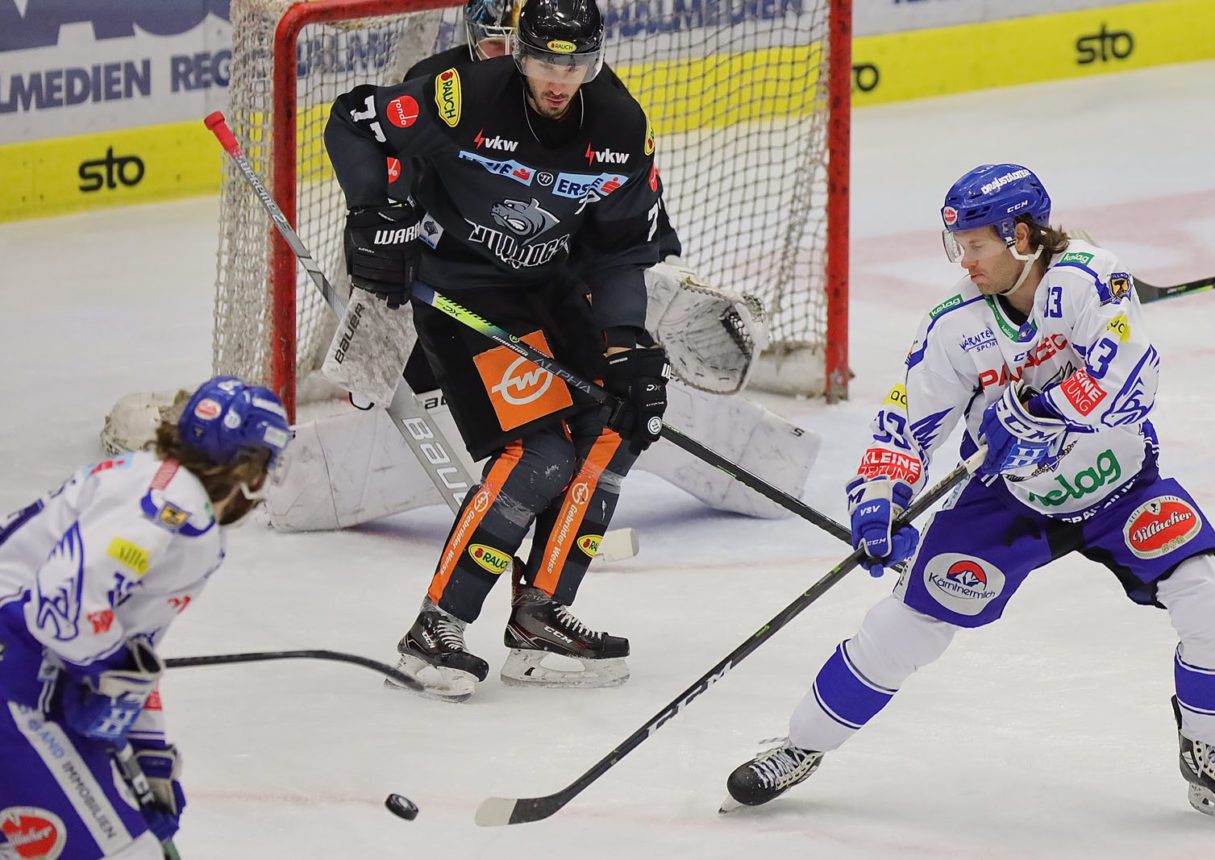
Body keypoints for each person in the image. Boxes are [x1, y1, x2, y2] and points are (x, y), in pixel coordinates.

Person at [721, 164, 1215, 827]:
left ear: (1022, 236)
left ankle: (1207, 748)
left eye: (977, 245)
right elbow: (907, 423)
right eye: (958, 246)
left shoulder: (1093, 278)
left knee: (1214, 593)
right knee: (905, 627)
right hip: (1011, 500)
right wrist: (880, 496)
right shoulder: (955, 325)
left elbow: (1132, 384)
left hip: (1118, 483)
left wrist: (1036, 411)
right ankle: (800, 745)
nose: (965, 261)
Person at [266, 0, 818, 533]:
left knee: (620, 350)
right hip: (444, 285)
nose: (541, 72)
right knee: (388, 315)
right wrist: (378, 223)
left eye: (557, 60)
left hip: (538, 284)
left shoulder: (594, 106)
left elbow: (628, 230)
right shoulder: (445, 87)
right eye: (500, 43)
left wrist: (631, 312)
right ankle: (398, 385)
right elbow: (378, 167)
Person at [324, 0, 676, 701]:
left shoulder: (619, 126)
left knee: (620, 422)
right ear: (520, 54)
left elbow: (620, 252)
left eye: (575, 63)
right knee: (540, 455)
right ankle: (435, 629)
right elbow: (354, 119)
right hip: (463, 290)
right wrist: (372, 210)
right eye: (545, 60)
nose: (559, 79)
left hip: (552, 287)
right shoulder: (462, 96)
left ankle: (540, 617)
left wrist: (626, 342)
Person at [0, 377, 290, 859]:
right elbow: (63, 608)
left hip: (28, 678)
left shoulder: (165, 492)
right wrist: (112, 669)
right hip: (16, 686)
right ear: (250, 468)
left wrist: (148, 747)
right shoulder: (169, 506)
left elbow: (123, 639)